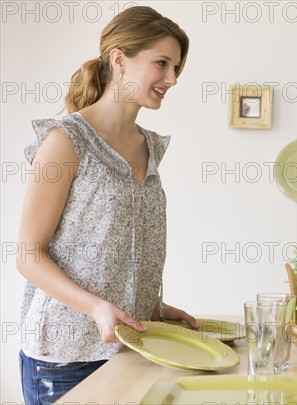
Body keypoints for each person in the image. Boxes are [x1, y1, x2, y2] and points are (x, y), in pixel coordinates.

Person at [16, 6, 198, 404]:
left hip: (131, 347)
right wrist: (98, 309)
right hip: (65, 359)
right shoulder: (66, 141)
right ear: (119, 60)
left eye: (176, 68)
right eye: (162, 64)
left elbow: (116, 246)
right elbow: (29, 255)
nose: (171, 79)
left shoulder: (148, 146)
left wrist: (154, 307)